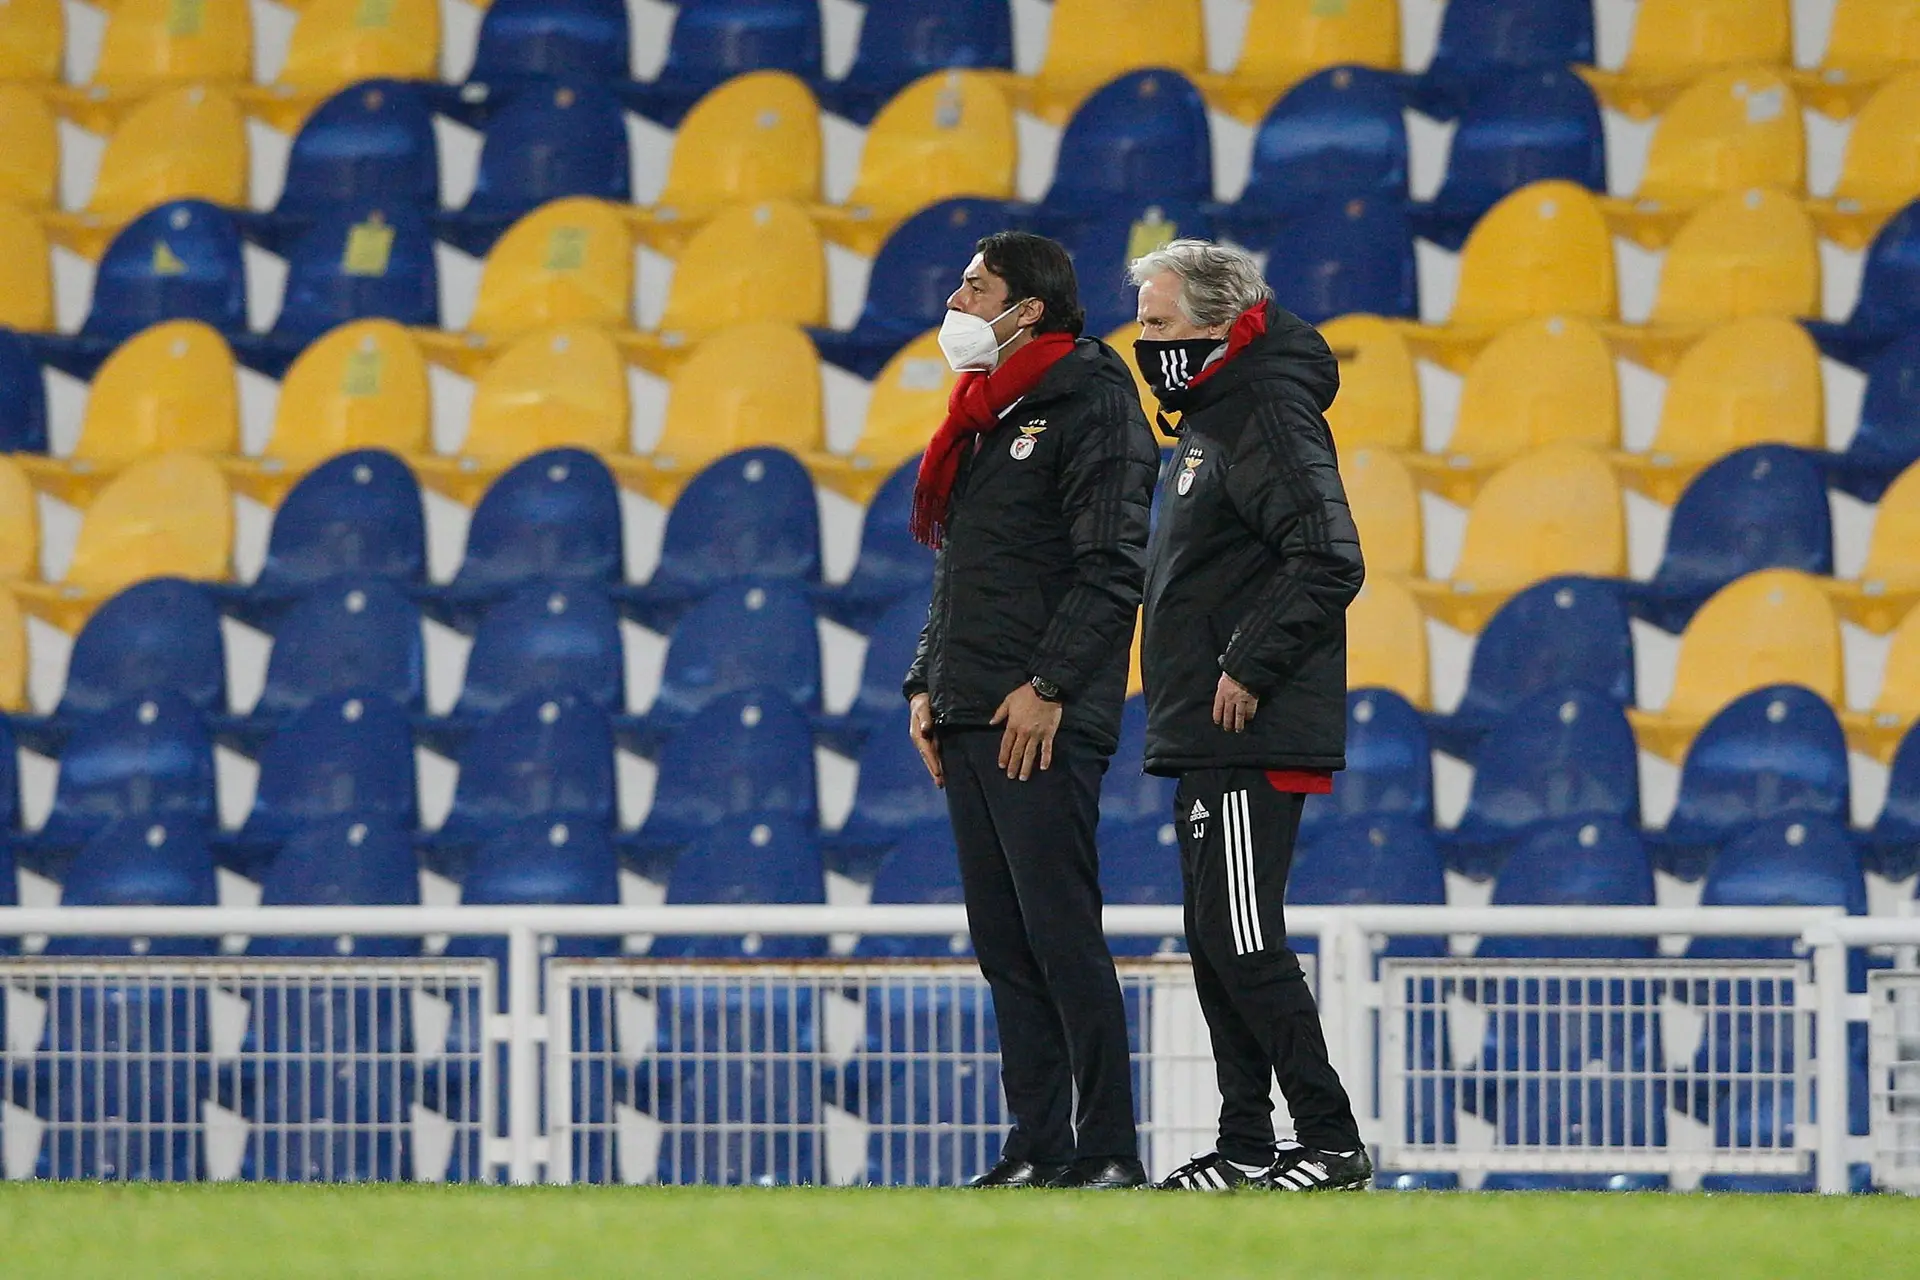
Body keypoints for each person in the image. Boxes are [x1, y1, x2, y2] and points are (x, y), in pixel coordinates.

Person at [902, 231, 1159, 1189]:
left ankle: (1109, 1151)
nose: (957, 300)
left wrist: (1047, 687)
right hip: (973, 706)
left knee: (1061, 934)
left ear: (1030, 309)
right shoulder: (981, 414)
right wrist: (927, 683)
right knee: (1007, 947)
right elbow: (960, 573)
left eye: (976, 286)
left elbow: (1111, 565)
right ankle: (1040, 1144)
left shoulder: (1092, 398)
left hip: (1039, 713)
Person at [1129, 240, 1373, 1192]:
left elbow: (1327, 553)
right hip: (1208, 722)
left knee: (1239, 933)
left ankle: (1329, 1139)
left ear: (1218, 327)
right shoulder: (1212, 419)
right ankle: (1244, 1146)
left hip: (1246, 722)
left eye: (1158, 322)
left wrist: (1248, 663)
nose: (1144, 341)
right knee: (1214, 934)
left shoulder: (1264, 410)